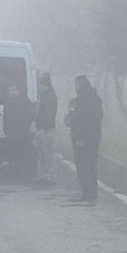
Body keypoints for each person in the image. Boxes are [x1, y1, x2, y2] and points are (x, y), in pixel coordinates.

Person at [65, 75, 103, 204]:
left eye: (76, 84)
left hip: (82, 138)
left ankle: (87, 194)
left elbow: (83, 120)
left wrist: (80, 137)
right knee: (91, 165)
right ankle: (92, 193)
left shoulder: (81, 100)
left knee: (83, 166)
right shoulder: (95, 99)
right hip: (94, 137)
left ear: (79, 84)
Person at [3, 84, 36, 180]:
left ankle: (26, 174)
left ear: (18, 91)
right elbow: (6, 117)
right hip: (11, 133)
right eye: (10, 90)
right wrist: (5, 128)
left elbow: (31, 115)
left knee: (24, 153)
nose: (12, 92)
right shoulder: (8, 102)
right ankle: (15, 175)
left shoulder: (25, 101)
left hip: (23, 132)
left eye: (14, 90)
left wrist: (28, 128)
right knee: (14, 154)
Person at [35, 73, 58, 186]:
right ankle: (44, 176)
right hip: (43, 128)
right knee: (43, 155)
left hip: (47, 129)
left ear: (44, 84)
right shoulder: (45, 95)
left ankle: (50, 177)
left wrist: (42, 127)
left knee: (48, 154)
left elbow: (48, 114)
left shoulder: (49, 97)